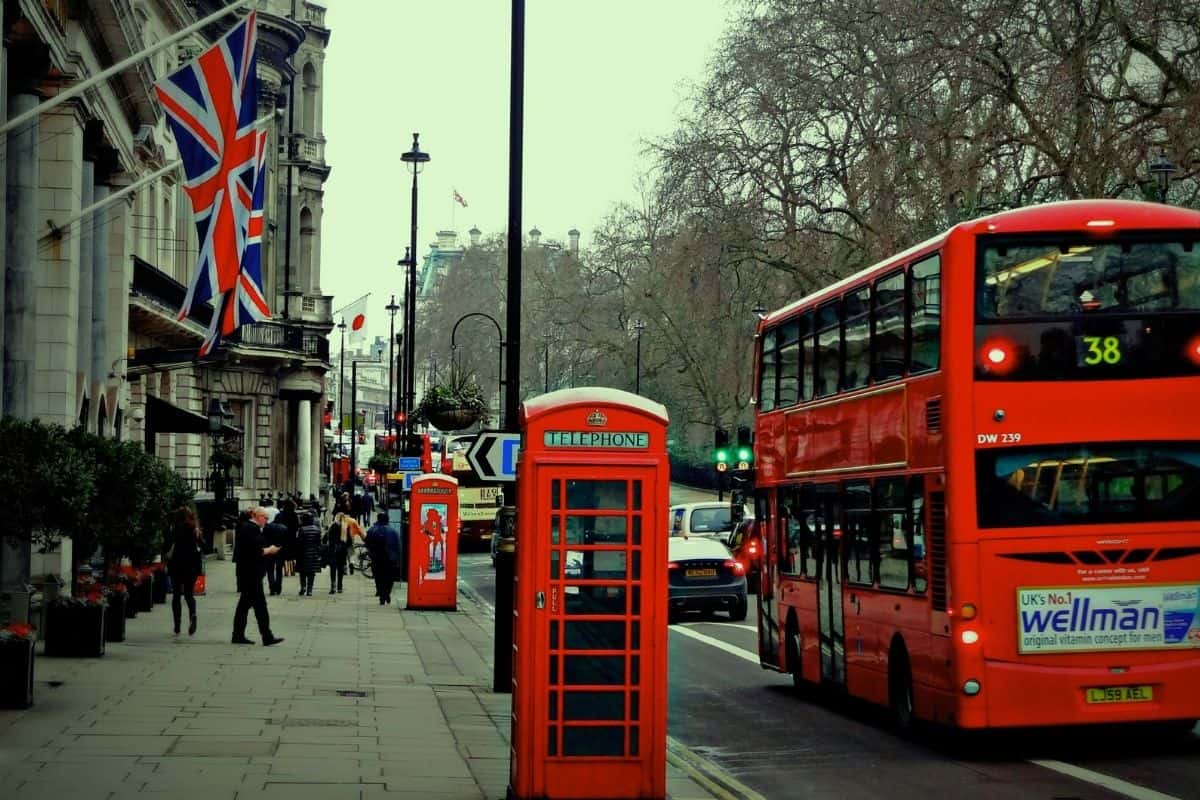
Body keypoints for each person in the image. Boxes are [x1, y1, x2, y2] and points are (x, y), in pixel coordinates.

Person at [232, 507, 284, 646]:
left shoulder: (248, 528)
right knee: (259, 605)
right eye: (265, 518)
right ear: (256, 516)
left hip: (250, 573)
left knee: (245, 605)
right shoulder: (250, 529)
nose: (266, 521)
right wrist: (270, 550)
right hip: (251, 573)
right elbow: (255, 551)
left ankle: (239, 635)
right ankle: (266, 636)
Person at [166, 506, 204, 636]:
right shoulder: (194, 529)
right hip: (192, 564)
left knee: (176, 594)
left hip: (177, 563)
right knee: (189, 594)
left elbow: (168, 543)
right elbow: (202, 544)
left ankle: (177, 626)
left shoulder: (175, 528)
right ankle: (193, 614)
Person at [365, 512, 402, 605]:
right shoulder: (393, 531)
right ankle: (387, 592)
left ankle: (381, 594)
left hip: (376, 558)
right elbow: (398, 546)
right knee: (389, 577)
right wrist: (397, 557)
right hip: (390, 558)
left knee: (378, 577)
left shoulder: (372, 530)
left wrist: (371, 553)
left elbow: (367, 543)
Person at [325, 512, 359, 593]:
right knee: (340, 570)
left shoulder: (333, 526)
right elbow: (350, 541)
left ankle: (333, 587)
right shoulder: (345, 526)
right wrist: (345, 546)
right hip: (342, 551)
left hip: (333, 550)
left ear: (336, 518)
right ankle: (340, 587)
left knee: (333, 569)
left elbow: (326, 537)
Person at [296, 511, 323, 596]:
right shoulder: (317, 530)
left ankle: (303, 587)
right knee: (311, 573)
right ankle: (310, 590)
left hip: (303, 553)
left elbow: (299, 542)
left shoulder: (302, 529)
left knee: (302, 571)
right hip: (314, 553)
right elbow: (319, 543)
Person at [263, 511, 289, 596]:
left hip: (270, 550)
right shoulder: (284, 527)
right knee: (279, 570)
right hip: (280, 551)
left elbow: (264, 539)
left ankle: (272, 587)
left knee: (270, 569)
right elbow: (286, 541)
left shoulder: (268, 526)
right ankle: (278, 587)